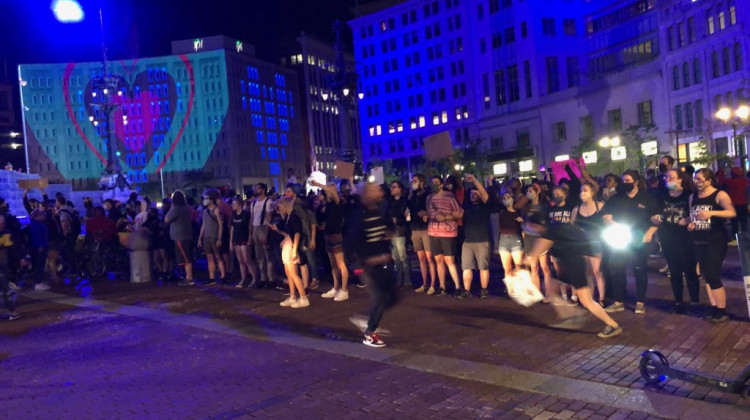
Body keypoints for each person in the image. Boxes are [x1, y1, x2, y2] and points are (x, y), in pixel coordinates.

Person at [526, 221, 622, 338]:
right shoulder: (557, 228)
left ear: (537, 225)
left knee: (586, 301)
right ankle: (572, 317)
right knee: (551, 290)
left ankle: (612, 324)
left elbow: (535, 253)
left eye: (530, 225)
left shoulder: (549, 233)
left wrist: (522, 263)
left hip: (573, 268)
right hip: (571, 266)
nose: (529, 228)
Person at [602, 170, 659, 315]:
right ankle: (618, 301)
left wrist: (649, 233)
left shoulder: (647, 198)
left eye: (628, 181)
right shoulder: (616, 199)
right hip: (620, 238)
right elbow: (606, 216)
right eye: (624, 181)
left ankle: (640, 302)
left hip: (639, 239)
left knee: (639, 269)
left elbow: (656, 218)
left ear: (636, 181)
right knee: (616, 268)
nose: (625, 184)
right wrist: (611, 223)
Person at [688, 168, 736, 323]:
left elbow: (731, 212)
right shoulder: (693, 196)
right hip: (698, 239)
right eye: (695, 179)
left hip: (715, 240)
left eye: (700, 179)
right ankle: (714, 306)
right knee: (706, 274)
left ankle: (722, 310)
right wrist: (691, 224)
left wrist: (712, 213)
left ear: (709, 180)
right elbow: (692, 215)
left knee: (713, 274)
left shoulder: (719, 195)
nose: (697, 182)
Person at [354, 183, 398, 347]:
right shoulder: (359, 214)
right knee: (380, 298)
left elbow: (387, 227)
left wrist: (387, 234)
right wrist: (369, 259)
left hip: (382, 261)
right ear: (366, 194)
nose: (379, 191)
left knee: (391, 297)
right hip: (368, 264)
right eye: (374, 189)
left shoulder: (379, 210)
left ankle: (370, 320)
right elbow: (355, 241)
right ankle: (369, 333)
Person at [651, 169, 700, 314]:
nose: (668, 179)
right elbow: (654, 213)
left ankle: (694, 301)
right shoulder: (662, 195)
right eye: (666, 177)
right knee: (674, 270)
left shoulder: (688, 195)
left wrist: (688, 219)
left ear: (680, 180)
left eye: (671, 177)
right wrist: (654, 218)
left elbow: (696, 213)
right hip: (668, 236)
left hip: (686, 237)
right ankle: (678, 301)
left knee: (690, 270)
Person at [310, 179, 350, 301]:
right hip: (328, 234)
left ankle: (344, 290)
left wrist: (318, 184)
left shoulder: (339, 201)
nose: (329, 190)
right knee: (333, 263)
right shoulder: (326, 205)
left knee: (340, 263)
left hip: (336, 235)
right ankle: (336, 287)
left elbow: (333, 193)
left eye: (331, 188)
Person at [426, 174, 464, 296]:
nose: (434, 185)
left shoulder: (450, 197)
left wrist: (445, 217)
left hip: (448, 233)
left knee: (449, 260)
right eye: (432, 182)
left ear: (441, 184)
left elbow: (460, 214)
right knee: (438, 260)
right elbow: (429, 213)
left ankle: (458, 287)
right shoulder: (429, 198)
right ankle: (442, 287)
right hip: (433, 232)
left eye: (436, 182)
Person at [570, 181, 606, 306]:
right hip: (582, 243)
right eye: (581, 191)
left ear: (592, 192)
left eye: (585, 190)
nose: (582, 193)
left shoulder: (599, 205)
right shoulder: (577, 208)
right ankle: (591, 299)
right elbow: (572, 225)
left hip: (596, 241)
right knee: (587, 272)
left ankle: (602, 299)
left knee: (597, 271)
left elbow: (606, 221)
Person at [271, 197, 310, 308]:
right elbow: (290, 234)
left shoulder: (294, 217)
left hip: (292, 247)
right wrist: (284, 239)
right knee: (289, 273)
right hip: (288, 246)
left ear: (285, 206)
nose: (279, 209)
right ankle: (293, 296)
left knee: (294, 273)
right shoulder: (289, 217)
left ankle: (303, 297)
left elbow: (297, 234)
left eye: (280, 207)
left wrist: (294, 251)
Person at [459, 175, 491, 299]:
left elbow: (484, 194)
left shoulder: (486, 206)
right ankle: (467, 290)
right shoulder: (467, 207)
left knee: (483, 266)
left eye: (476, 193)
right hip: (468, 241)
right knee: (466, 267)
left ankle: (484, 290)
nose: (473, 195)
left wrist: (475, 181)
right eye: (472, 193)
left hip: (482, 240)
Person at [407, 174, 436, 293]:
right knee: (421, 258)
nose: (413, 183)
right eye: (412, 181)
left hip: (425, 228)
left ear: (421, 183)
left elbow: (434, 209)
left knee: (429, 258)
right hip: (415, 228)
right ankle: (424, 283)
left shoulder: (428, 196)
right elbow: (409, 210)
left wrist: (427, 213)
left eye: (415, 181)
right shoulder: (412, 197)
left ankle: (433, 284)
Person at [165, 191, 195, 286]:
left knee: (185, 258)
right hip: (187, 234)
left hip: (180, 236)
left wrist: (171, 207)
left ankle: (189, 278)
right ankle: (187, 276)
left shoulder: (176, 209)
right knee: (186, 257)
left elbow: (166, 219)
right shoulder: (187, 208)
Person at [249, 184, 275, 288]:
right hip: (255, 228)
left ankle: (271, 278)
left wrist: (266, 233)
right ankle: (263, 278)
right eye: (256, 188)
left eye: (258, 188)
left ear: (263, 189)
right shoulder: (253, 202)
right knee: (259, 255)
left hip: (263, 227)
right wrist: (250, 233)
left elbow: (269, 218)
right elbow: (252, 218)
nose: (255, 189)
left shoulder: (268, 202)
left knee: (268, 254)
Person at [199, 192, 227, 285]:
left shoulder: (216, 210)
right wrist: (200, 238)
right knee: (209, 257)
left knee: (218, 257)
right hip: (207, 237)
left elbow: (221, 225)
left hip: (214, 236)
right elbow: (203, 225)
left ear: (211, 200)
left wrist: (219, 238)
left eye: (207, 198)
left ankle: (223, 276)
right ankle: (211, 277)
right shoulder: (205, 211)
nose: (204, 200)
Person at [0, 214, 24, 320]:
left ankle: (12, 311)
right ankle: (12, 311)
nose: (1, 224)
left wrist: (20, 258)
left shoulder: (7, 233)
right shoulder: (6, 234)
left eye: (2, 222)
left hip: (4, 266)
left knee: (6, 289)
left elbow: (14, 248)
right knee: (6, 289)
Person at [230, 197, 257, 288]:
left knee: (247, 259)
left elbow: (249, 227)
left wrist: (250, 238)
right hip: (236, 239)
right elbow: (232, 228)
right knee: (240, 260)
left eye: (234, 204)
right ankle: (243, 278)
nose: (232, 206)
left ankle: (254, 278)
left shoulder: (246, 214)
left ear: (239, 205)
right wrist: (231, 241)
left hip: (244, 238)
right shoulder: (233, 215)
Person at [388, 181, 411, 288]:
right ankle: (399, 279)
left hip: (401, 231)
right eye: (391, 187)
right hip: (392, 231)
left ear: (400, 189)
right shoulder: (390, 201)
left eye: (394, 187)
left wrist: (398, 219)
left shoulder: (404, 201)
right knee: (396, 258)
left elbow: (407, 216)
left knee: (403, 257)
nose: (391, 189)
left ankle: (407, 280)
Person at [497, 191, 524, 281]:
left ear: (512, 199)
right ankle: (510, 290)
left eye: (508, 197)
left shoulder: (519, 212)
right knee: (507, 268)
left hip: (516, 239)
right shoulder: (501, 211)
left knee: (518, 266)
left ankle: (520, 289)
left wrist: (522, 221)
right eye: (504, 197)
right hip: (503, 240)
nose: (506, 199)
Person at [717, 166, 749, 240]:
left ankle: (736, 237)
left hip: (734, 205)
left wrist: (722, 169)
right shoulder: (746, 181)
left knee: (734, 222)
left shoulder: (731, 182)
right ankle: (745, 237)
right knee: (744, 222)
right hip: (744, 204)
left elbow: (720, 179)